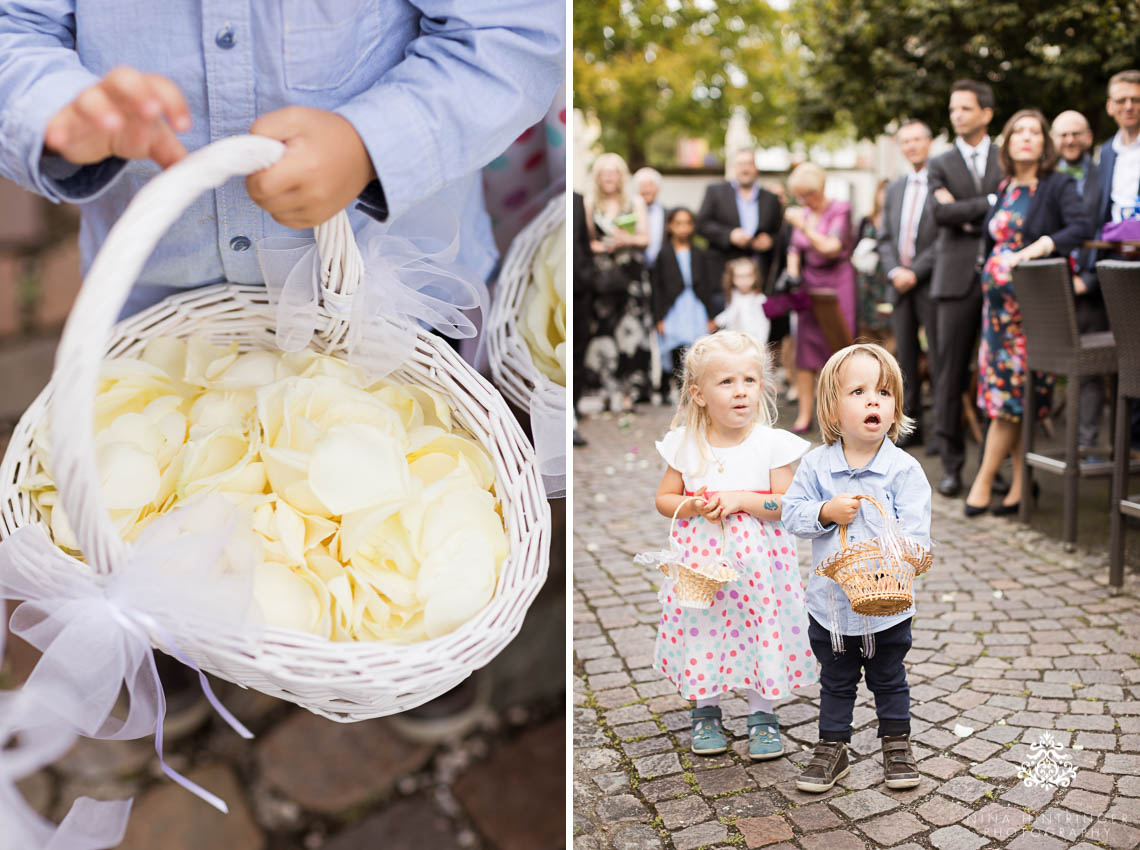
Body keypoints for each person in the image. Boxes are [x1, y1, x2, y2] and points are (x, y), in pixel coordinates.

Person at [0, 4, 563, 317]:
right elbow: (15, 28)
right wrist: (54, 110)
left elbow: (513, 35)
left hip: (392, 307)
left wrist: (370, 144)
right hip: (155, 302)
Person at [649, 331, 814, 759]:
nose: (741, 392)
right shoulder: (687, 446)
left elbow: (787, 503)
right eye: (726, 383)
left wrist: (740, 500)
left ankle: (762, 714)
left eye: (750, 381)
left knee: (760, 629)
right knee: (706, 628)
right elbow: (664, 500)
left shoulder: (770, 445)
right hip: (704, 565)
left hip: (760, 566)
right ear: (699, 394)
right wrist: (693, 505)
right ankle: (706, 709)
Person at [782, 343, 931, 793]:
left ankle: (897, 743)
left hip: (888, 605)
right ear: (832, 406)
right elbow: (792, 515)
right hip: (830, 607)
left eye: (884, 393)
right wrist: (825, 511)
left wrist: (900, 548)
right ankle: (833, 747)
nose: (873, 401)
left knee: (890, 678)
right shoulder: (815, 466)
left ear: (895, 408)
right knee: (836, 680)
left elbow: (918, 534)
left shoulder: (904, 471)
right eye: (859, 391)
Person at [963, 109, 1092, 517]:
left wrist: (1042, 245)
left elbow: (1080, 227)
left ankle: (982, 482)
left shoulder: (1056, 185)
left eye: (1034, 132)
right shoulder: (1004, 187)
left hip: (1030, 313)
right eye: (1018, 131)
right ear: (1007, 141)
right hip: (996, 317)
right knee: (1007, 400)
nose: (1026, 138)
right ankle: (1021, 485)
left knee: (1011, 401)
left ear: (1044, 143)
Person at [928, 80, 1003, 498]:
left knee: (995, 373)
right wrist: (991, 202)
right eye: (953, 109)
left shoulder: (1005, 156)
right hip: (953, 280)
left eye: (965, 108)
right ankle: (953, 466)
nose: (957, 115)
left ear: (986, 113)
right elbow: (940, 213)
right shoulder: (940, 162)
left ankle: (995, 465)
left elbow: (1008, 205)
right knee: (948, 375)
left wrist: (967, 209)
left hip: (998, 280)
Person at [1087, 70, 1140, 449]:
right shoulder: (1106, 151)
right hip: (1112, 264)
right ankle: (1124, 442)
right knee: (1119, 355)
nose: (1128, 106)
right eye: (1121, 100)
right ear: (1110, 106)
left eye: (1135, 99)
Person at [783, 162, 857, 434]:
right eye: (799, 196)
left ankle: (838, 415)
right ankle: (804, 414)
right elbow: (794, 249)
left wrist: (804, 226)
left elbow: (829, 247)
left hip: (838, 282)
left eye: (807, 195)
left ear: (820, 189)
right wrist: (792, 275)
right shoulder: (804, 213)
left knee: (839, 348)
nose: (803, 201)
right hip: (809, 284)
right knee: (806, 351)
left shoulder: (840, 210)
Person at [879, 119, 938, 450]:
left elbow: (943, 238)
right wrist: (895, 272)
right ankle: (910, 427)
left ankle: (941, 433)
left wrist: (915, 271)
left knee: (938, 358)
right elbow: (884, 236)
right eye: (906, 141)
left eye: (917, 139)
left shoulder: (941, 183)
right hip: (898, 285)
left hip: (929, 283)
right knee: (903, 359)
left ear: (928, 143)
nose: (912, 146)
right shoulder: (895, 187)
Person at [1052, 109, 1108, 453]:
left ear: (1088, 137)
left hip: (1088, 287)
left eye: (1077, 134)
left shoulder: (1105, 177)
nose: (1070, 141)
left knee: (1090, 371)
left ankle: (1086, 446)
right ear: (1054, 140)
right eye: (1063, 135)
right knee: (1040, 367)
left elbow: (1108, 228)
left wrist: (1089, 279)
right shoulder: (1043, 179)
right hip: (1048, 290)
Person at [582, 152, 656, 413]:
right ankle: (606, 389)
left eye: (614, 173)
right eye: (605, 173)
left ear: (621, 176)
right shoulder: (590, 203)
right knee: (604, 332)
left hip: (631, 277)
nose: (609, 178)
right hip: (603, 278)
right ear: (598, 178)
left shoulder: (634, 202)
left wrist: (627, 240)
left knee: (632, 333)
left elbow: (645, 238)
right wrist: (603, 246)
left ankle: (630, 390)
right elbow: (587, 241)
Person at [697, 149, 783, 315]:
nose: (745, 169)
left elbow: (780, 233)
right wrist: (729, 235)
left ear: (756, 168)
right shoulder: (716, 192)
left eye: (749, 164)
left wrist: (770, 241)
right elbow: (701, 225)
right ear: (734, 168)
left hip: (758, 277)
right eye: (741, 164)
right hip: (723, 273)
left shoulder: (771, 199)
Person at [652, 207, 718, 395]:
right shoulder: (663, 254)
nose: (683, 228)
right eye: (678, 223)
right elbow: (658, 287)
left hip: (695, 305)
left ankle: (695, 387)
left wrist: (711, 315)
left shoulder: (699, 252)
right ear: (670, 226)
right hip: (673, 307)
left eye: (687, 223)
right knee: (675, 345)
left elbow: (707, 285)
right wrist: (659, 317)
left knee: (696, 346)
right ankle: (678, 387)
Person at [854, 179, 894, 348]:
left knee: (888, 326)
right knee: (866, 328)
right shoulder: (867, 219)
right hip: (867, 280)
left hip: (886, 279)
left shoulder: (895, 218)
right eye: (882, 191)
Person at [573, 190, 594, 446]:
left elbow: (584, 244)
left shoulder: (579, 198)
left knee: (578, 355)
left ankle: (574, 414)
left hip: (581, 290)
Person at [713, 256, 771, 347]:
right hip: (734, 343)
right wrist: (716, 321)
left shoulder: (759, 299)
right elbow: (730, 313)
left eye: (748, 276)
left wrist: (761, 345)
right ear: (732, 278)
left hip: (753, 344)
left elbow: (763, 325)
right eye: (739, 276)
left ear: (755, 276)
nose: (744, 280)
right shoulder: (732, 295)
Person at [634, 167, 667, 269]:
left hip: (660, 268)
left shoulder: (666, 213)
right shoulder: (628, 212)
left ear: (658, 189)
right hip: (635, 267)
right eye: (643, 186)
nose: (647, 189)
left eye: (650, 185)